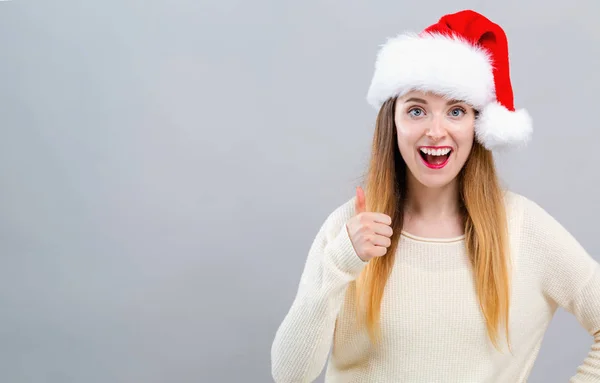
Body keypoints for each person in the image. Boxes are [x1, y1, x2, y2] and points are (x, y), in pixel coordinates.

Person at [270, 9, 600, 383]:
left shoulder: (523, 228)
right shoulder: (349, 231)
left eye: (456, 111)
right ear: (392, 122)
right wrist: (341, 260)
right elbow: (289, 375)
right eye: (416, 110)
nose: (436, 131)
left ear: (477, 125)